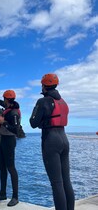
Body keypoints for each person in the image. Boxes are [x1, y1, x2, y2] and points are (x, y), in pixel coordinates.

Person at [29, 73, 75, 210]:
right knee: (66, 180)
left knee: (56, 183)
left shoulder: (42, 101)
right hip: (64, 139)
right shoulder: (63, 102)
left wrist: (41, 121)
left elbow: (33, 122)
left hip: (51, 140)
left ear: (44, 86)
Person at [0, 90, 20, 207]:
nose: (4, 101)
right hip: (3, 140)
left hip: (9, 141)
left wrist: (4, 122)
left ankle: (15, 197)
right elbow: (2, 104)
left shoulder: (14, 113)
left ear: (8, 100)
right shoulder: (8, 106)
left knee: (11, 168)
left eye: (4, 99)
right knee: (2, 166)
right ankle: (2, 194)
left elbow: (16, 130)